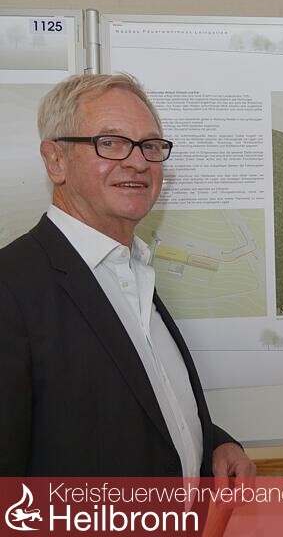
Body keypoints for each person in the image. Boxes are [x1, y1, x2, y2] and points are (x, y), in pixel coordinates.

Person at [0, 73, 256, 479]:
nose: (138, 162)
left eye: (150, 145)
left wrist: (213, 444)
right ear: (55, 160)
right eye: (111, 142)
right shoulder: (11, 288)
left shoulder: (132, 267)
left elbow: (142, 400)